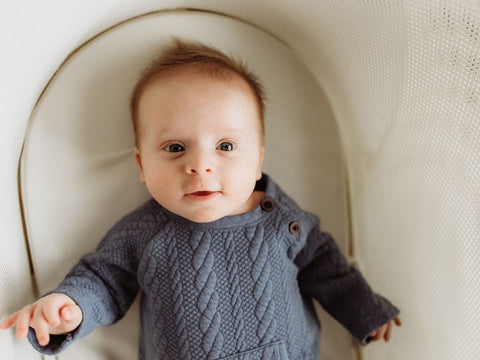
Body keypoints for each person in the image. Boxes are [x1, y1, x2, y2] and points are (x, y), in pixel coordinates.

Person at [0, 39, 401, 359]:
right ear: (142, 165)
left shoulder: (285, 223)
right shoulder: (144, 232)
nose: (200, 166)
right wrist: (71, 308)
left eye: (225, 145)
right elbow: (105, 280)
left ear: (258, 158)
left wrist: (364, 311)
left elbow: (329, 270)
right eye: (175, 148)